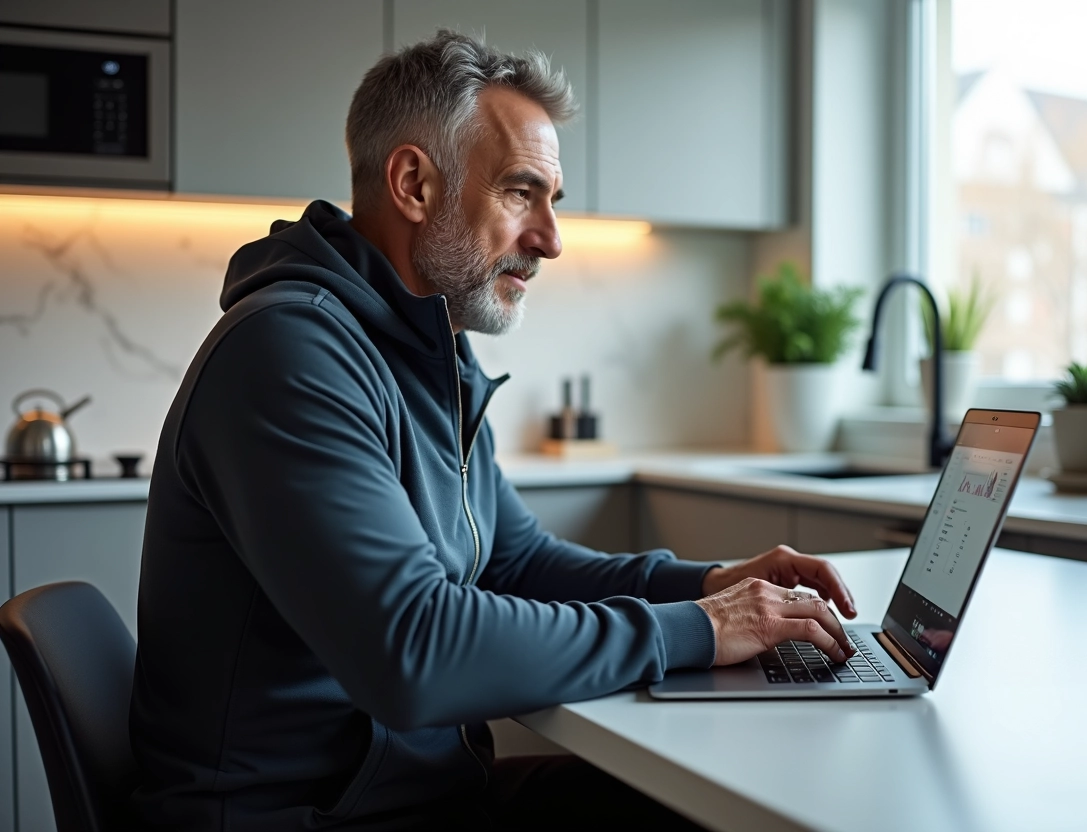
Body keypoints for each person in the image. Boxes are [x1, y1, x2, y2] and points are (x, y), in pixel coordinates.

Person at [129, 30, 857, 831]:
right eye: (520, 192)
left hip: (419, 800)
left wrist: (707, 587)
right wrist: (700, 631)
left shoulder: (427, 350)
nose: (550, 238)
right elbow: (414, 650)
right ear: (414, 184)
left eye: (553, 200)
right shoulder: (288, 354)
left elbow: (514, 562)